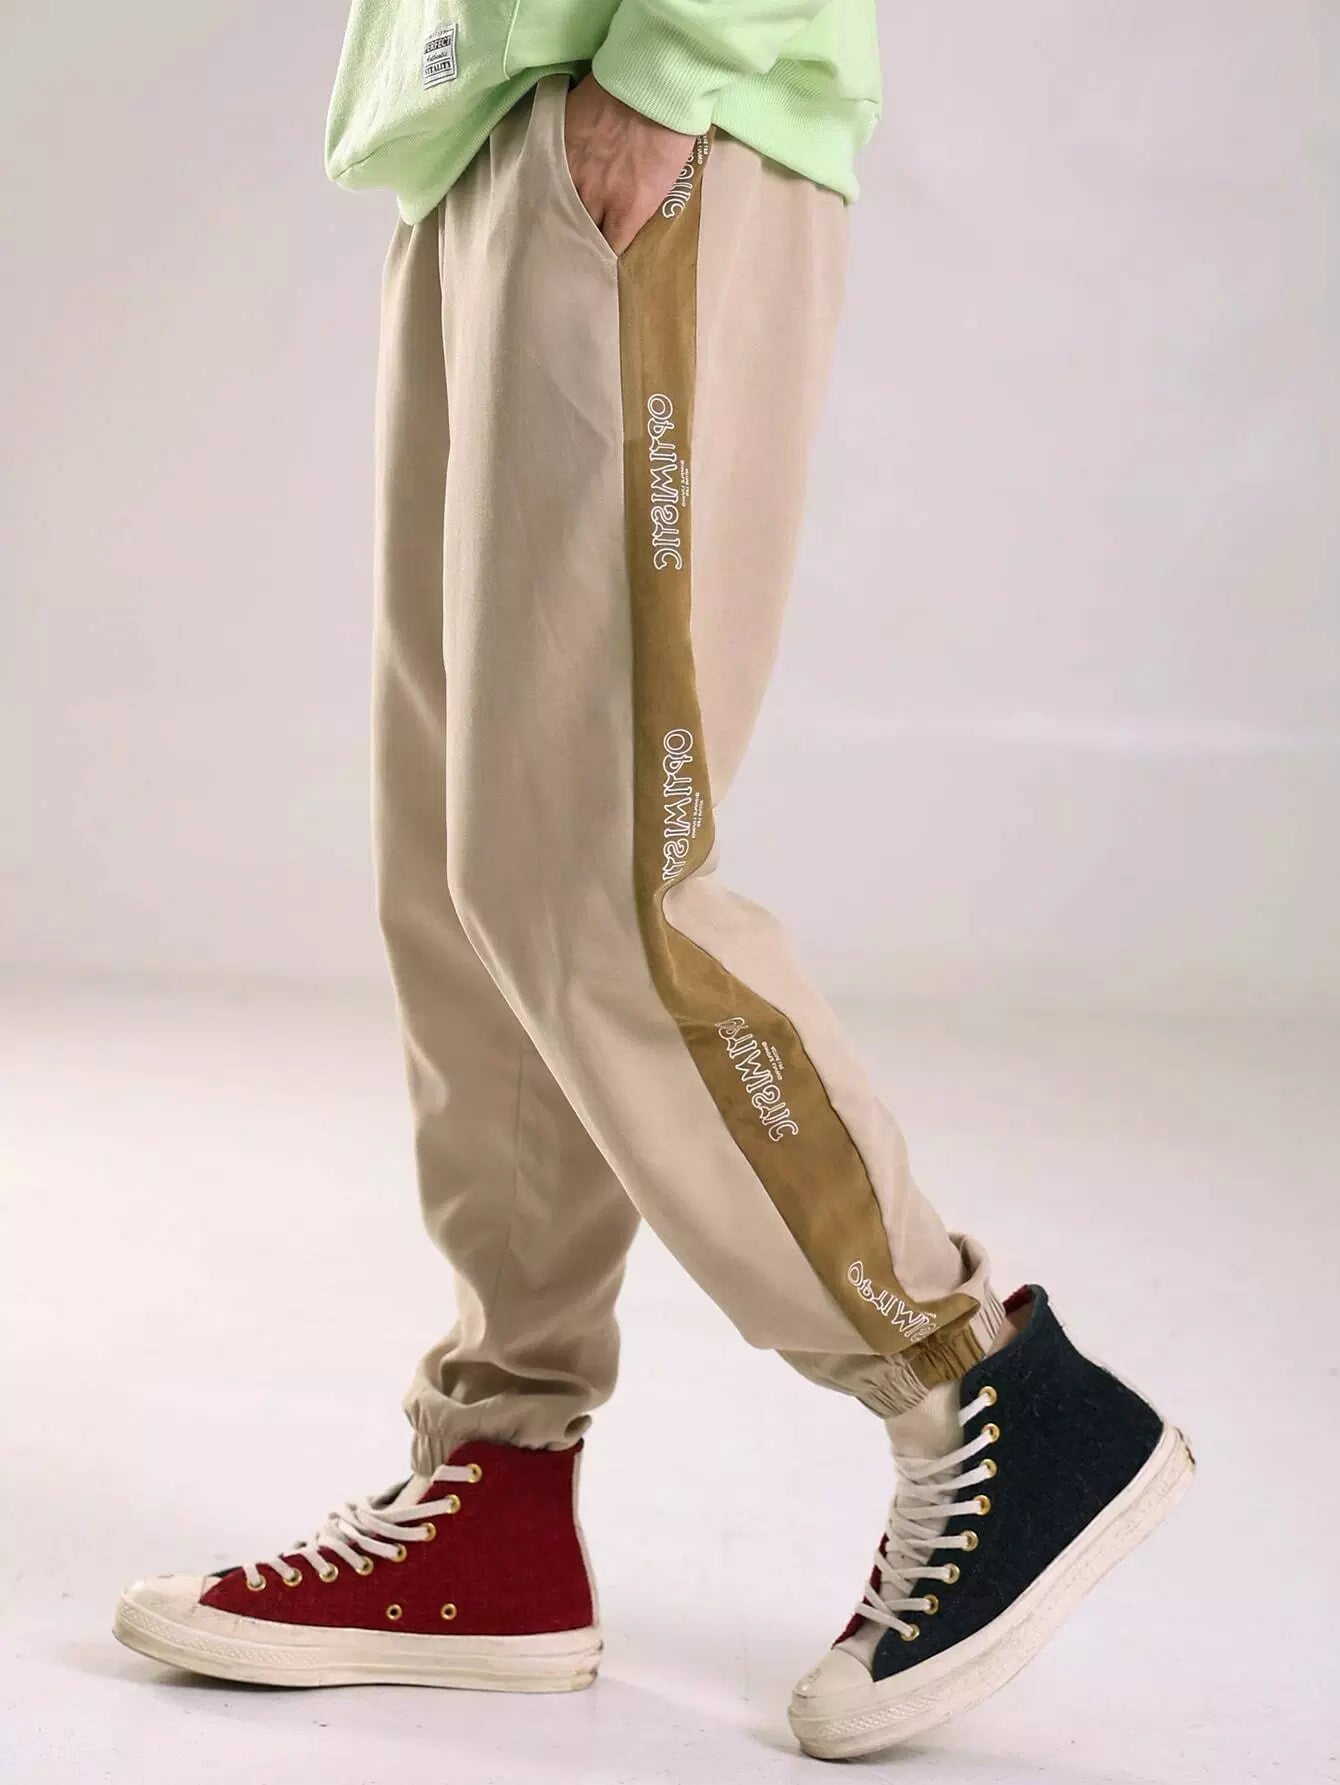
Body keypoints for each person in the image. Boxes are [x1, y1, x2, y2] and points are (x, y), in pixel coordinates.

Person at [112, 1, 1193, 1758]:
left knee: (593, 880)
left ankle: (985, 1385)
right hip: (479, 128)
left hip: (638, 108)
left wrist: (668, 68)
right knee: (469, 882)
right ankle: (496, 1497)